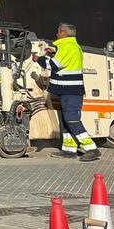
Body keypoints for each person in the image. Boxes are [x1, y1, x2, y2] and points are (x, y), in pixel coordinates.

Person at [36, 23, 100, 161]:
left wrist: (39, 59)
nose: (56, 34)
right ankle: (69, 150)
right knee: (66, 121)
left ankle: (91, 149)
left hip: (70, 91)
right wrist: (54, 53)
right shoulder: (71, 47)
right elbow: (65, 63)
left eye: (58, 31)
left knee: (72, 120)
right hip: (67, 91)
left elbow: (52, 65)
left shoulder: (67, 47)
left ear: (64, 32)